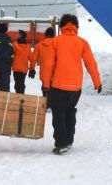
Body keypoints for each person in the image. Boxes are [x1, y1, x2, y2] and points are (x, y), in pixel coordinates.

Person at [43, 14, 102, 155]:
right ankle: (69, 140)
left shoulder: (55, 42)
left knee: (58, 115)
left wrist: (46, 84)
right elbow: (90, 63)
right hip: (75, 88)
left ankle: (61, 144)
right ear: (76, 27)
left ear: (61, 26)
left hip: (58, 86)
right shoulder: (82, 43)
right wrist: (97, 82)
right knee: (70, 112)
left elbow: (48, 65)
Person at [29, 27, 56, 96]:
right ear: (53, 35)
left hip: (44, 72)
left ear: (45, 35)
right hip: (55, 72)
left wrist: (32, 69)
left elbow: (33, 58)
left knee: (45, 89)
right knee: (53, 90)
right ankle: (51, 104)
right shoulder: (57, 44)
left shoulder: (39, 45)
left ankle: (45, 102)